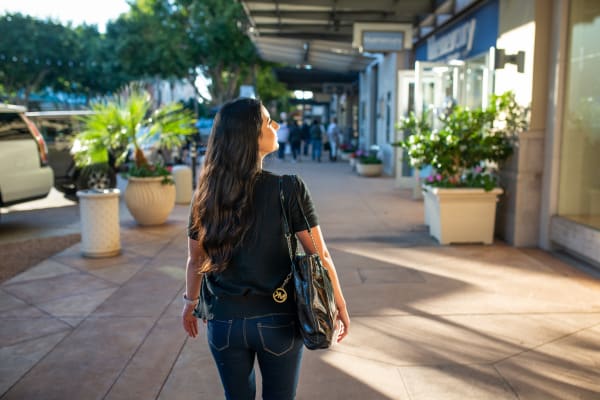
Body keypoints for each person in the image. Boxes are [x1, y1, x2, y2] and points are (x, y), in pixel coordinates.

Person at [183, 98, 350, 400]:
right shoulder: (288, 188)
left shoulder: (205, 195)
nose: (276, 126)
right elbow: (319, 255)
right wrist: (338, 303)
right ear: (251, 136)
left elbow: (196, 260)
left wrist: (190, 302)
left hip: (223, 321)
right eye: (268, 121)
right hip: (278, 320)